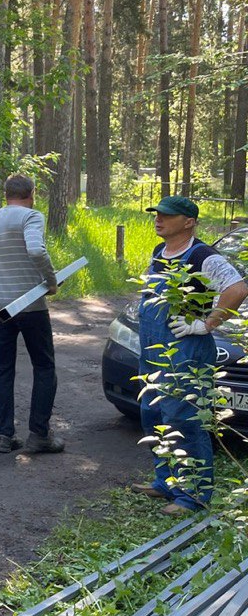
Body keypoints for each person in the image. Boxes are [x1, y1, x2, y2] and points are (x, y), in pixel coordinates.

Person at [131, 196, 247, 516]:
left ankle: (193, 496)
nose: (159, 219)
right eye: (157, 214)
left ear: (189, 222)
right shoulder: (160, 252)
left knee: (184, 419)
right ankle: (165, 481)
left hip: (187, 351)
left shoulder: (202, 256)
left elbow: (237, 289)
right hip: (155, 348)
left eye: (167, 216)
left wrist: (206, 323)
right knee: (153, 414)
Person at [0, 174, 62, 455]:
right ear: (32, 193)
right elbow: (35, 249)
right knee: (44, 367)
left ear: (6, 194)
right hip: (29, 305)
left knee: (3, 369)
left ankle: (5, 435)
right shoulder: (31, 216)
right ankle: (39, 434)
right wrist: (51, 280)